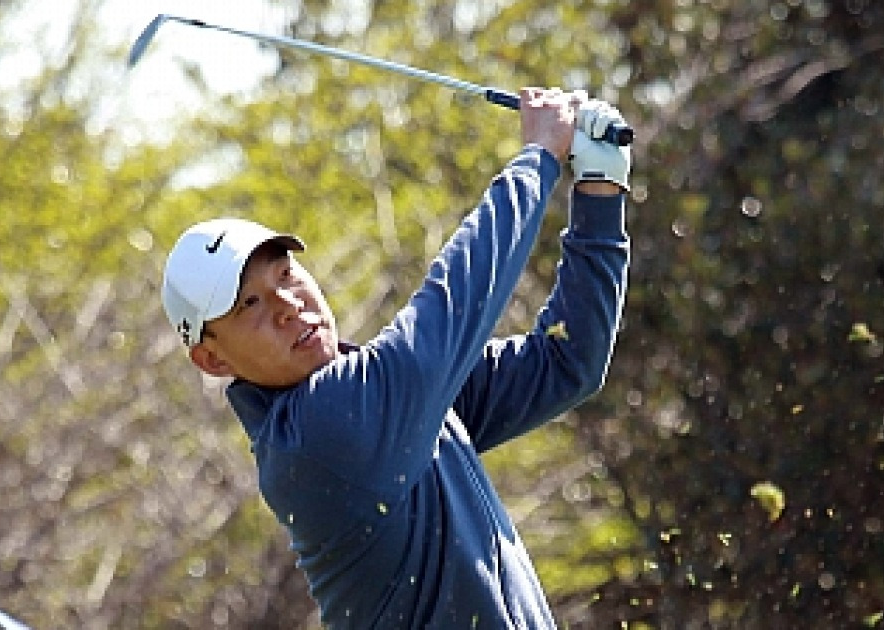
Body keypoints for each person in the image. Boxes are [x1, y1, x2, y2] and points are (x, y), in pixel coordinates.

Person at [160, 87, 631, 628]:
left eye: (286, 275)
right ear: (213, 360)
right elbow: (449, 308)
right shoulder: (318, 432)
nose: (288, 305)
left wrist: (600, 192)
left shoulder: (388, 405)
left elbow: (566, 362)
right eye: (250, 304)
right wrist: (539, 157)